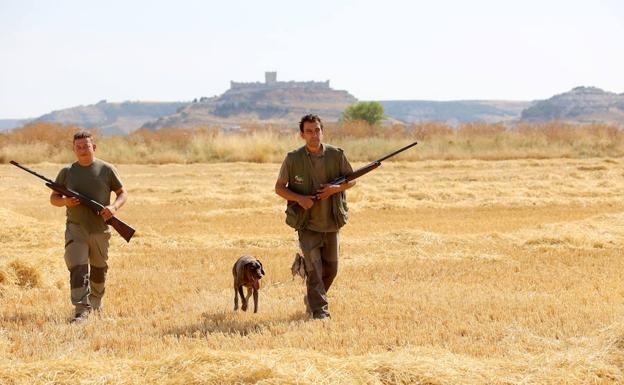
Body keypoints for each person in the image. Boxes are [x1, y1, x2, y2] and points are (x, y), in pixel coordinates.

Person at [275, 114, 355, 320]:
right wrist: (300, 199)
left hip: (331, 222)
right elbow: (279, 188)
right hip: (307, 223)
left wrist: (334, 189)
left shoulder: (336, 155)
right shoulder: (293, 159)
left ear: (322, 131)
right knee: (315, 271)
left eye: (317, 130)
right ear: (302, 134)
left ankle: (312, 299)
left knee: (332, 269)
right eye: (309, 131)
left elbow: (351, 180)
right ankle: (320, 312)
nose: (313, 135)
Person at [50, 131, 128, 323]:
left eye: (86, 146)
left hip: (101, 229)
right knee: (77, 268)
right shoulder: (67, 172)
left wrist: (113, 207)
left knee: (99, 268)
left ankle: (96, 303)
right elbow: (54, 198)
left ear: (94, 147)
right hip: (75, 228)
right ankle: (81, 310)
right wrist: (66, 202)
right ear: (74, 149)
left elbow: (122, 193)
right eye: (79, 147)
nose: (83, 150)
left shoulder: (107, 169)